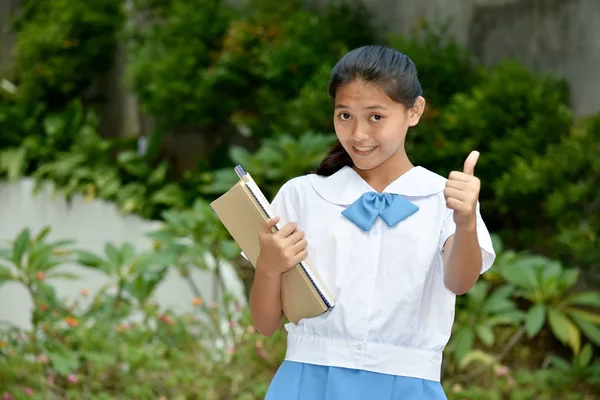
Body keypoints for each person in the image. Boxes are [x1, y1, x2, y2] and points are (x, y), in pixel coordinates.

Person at [249, 45, 496, 400]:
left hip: (408, 387)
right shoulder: (302, 196)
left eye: (375, 117)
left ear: (414, 111)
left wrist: (466, 222)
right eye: (345, 115)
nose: (358, 134)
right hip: (306, 383)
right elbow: (265, 324)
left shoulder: (443, 197)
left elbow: (459, 282)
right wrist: (269, 268)